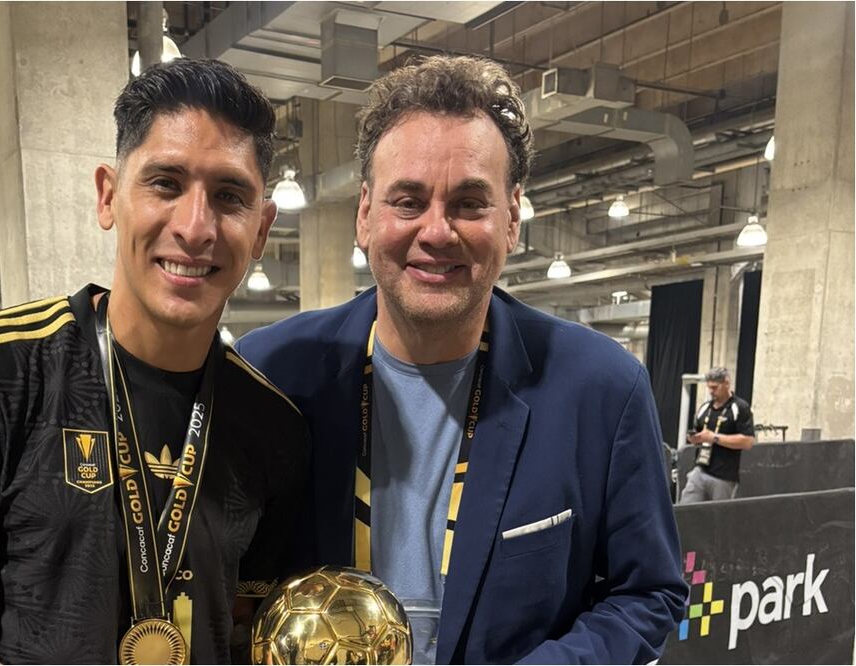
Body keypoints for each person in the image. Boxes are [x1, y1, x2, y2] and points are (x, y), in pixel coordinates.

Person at [237, 55, 687, 664]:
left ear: (512, 218)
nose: (437, 231)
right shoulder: (270, 375)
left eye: (470, 202)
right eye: (408, 200)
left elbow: (648, 592)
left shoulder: (602, 389)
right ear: (364, 215)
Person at [0, 59, 309, 664]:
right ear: (109, 196)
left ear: (261, 231)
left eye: (229, 197)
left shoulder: (272, 424)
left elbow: (237, 630)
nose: (195, 226)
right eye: (165, 183)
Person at [681, 367, 755, 502]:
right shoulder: (704, 408)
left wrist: (714, 438)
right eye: (709, 387)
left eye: (715, 387)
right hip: (700, 470)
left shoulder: (740, 408)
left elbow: (748, 441)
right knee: (685, 510)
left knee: (719, 519)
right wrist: (694, 438)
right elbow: (699, 433)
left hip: (724, 477)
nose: (711, 391)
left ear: (726, 383)